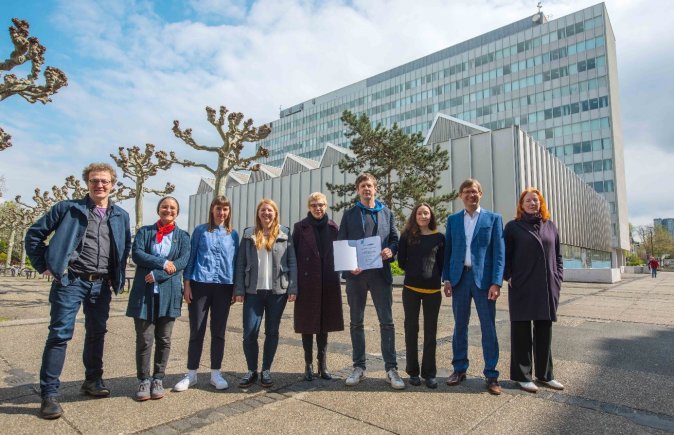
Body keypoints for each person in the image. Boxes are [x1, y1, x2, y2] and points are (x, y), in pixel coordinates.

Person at [25, 163, 131, 419]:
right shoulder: (68, 208)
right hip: (71, 281)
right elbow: (34, 235)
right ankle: (49, 394)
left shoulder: (121, 215)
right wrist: (45, 266)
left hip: (101, 284)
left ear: (113, 185)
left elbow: (124, 245)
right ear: (87, 183)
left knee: (97, 333)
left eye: (104, 181)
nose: (99, 185)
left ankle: (93, 380)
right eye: (94, 180)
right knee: (59, 335)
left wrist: (114, 276)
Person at [338, 173, 404, 390]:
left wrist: (390, 250)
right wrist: (349, 265)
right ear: (358, 190)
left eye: (369, 185)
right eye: (362, 186)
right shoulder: (349, 214)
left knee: (387, 322)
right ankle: (359, 367)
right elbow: (342, 242)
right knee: (356, 322)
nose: (366, 189)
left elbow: (394, 239)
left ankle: (391, 369)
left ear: (375, 188)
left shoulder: (387, 213)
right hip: (356, 276)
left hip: (380, 276)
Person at [442, 178, 505, 395]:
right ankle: (459, 369)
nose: (471, 195)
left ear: (481, 194)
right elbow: (448, 251)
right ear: (461, 196)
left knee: (488, 327)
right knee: (460, 326)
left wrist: (496, 282)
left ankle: (491, 374)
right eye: (467, 192)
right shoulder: (453, 220)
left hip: (484, 282)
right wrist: (446, 279)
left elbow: (499, 253)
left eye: (475, 191)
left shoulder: (493, 219)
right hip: (459, 279)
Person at [126, 197, 190, 401]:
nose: (168, 210)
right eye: (164, 207)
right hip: (144, 293)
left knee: (164, 339)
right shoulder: (145, 232)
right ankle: (143, 379)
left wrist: (157, 274)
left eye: (172, 208)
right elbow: (137, 254)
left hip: (169, 293)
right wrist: (162, 263)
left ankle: (158, 378)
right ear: (158, 209)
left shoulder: (183, 236)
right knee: (144, 339)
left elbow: (182, 262)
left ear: (177, 212)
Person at [174, 196, 239, 392]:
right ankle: (191, 374)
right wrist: (186, 285)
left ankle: (215, 374)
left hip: (224, 286)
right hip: (200, 284)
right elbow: (191, 257)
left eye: (225, 209)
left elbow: (236, 262)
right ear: (212, 210)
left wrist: (236, 288)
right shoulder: (200, 231)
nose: (221, 213)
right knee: (197, 329)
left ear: (229, 212)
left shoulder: (233, 234)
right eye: (218, 208)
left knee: (218, 331)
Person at [504, 188, 565, 393]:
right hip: (522, 284)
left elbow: (558, 256)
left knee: (544, 330)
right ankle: (522, 376)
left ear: (541, 203)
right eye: (528, 200)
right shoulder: (513, 227)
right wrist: (509, 276)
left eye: (535, 200)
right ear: (521, 205)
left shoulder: (550, 226)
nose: (532, 203)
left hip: (547, 286)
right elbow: (505, 256)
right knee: (521, 331)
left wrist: (558, 277)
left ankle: (546, 375)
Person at [234, 199, 297, 388]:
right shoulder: (248, 234)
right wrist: (239, 289)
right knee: (249, 333)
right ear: (258, 213)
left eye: (270, 210)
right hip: (253, 292)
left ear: (275, 213)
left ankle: (266, 370)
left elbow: (292, 261)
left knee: (272, 331)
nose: (266, 213)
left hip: (277, 292)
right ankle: (251, 370)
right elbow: (240, 263)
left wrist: (293, 287)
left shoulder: (285, 234)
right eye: (263, 210)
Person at [292, 192, 344, 381]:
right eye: (314, 205)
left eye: (320, 204)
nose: (317, 208)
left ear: (326, 206)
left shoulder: (333, 228)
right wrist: (293, 284)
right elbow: (293, 257)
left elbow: (341, 253)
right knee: (307, 325)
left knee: (324, 325)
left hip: (328, 281)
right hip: (307, 282)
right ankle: (308, 364)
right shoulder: (300, 227)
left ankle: (323, 364)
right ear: (309, 207)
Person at [398, 203, 444, 389]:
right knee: (411, 330)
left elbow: (441, 263)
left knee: (430, 333)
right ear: (414, 216)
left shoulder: (439, 238)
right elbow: (401, 262)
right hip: (411, 289)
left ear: (430, 216)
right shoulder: (406, 236)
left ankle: (429, 374)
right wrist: (415, 272)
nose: (423, 216)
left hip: (433, 291)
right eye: (419, 213)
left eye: (426, 213)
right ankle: (413, 372)